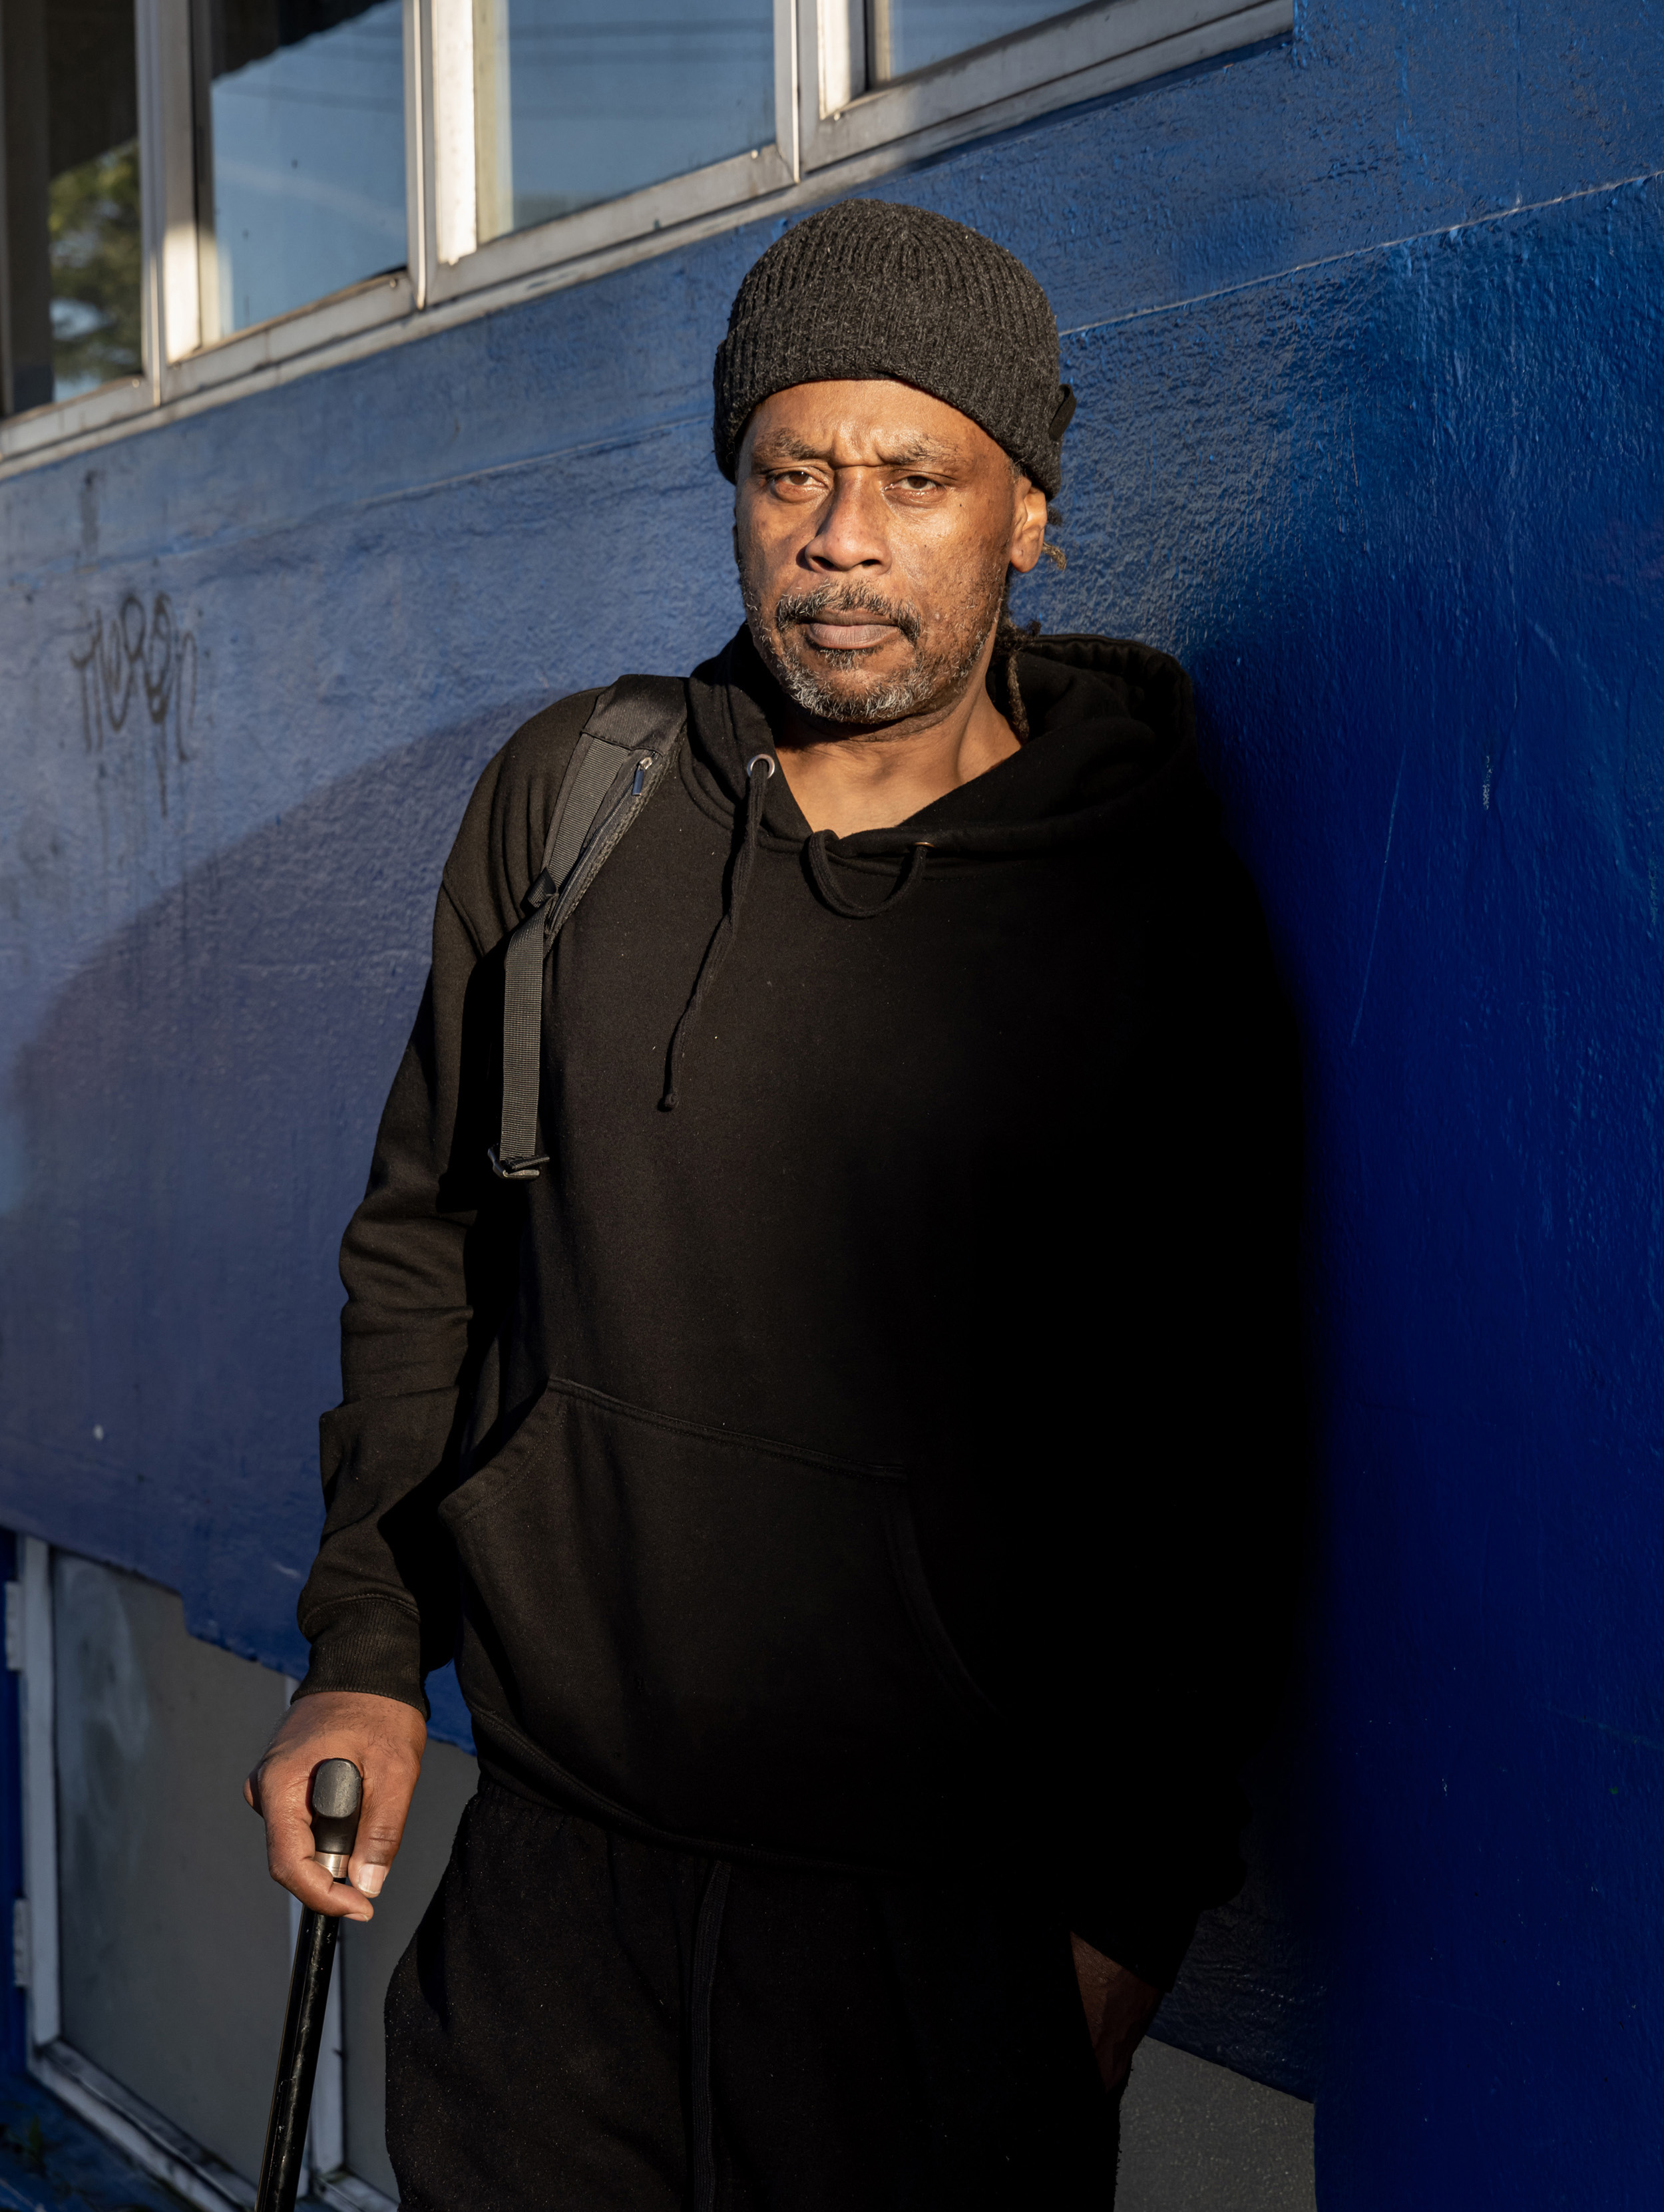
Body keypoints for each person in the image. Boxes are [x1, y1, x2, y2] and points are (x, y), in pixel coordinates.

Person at [246, 198, 1303, 2209]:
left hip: (938, 1944)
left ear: (1026, 514)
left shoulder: (1138, 903)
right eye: (786, 471)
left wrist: (1117, 1926)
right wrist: (366, 1647)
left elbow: (1214, 1439)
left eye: (915, 478)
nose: (838, 535)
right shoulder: (576, 804)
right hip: (552, 1906)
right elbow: (430, 1256)